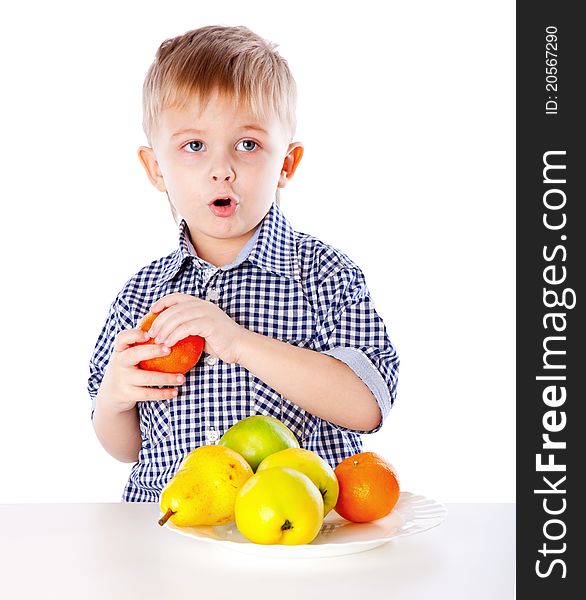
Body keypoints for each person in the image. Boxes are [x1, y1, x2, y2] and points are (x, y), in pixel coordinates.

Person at [88, 24, 400, 502]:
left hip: (294, 534)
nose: (222, 168)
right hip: (172, 528)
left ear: (287, 164)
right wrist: (115, 397)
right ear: (156, 169)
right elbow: (126, 448)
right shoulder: (140, 293)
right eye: (194, 146)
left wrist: (236, 341)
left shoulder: (324, 275)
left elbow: (368, 406)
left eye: (248, 145)